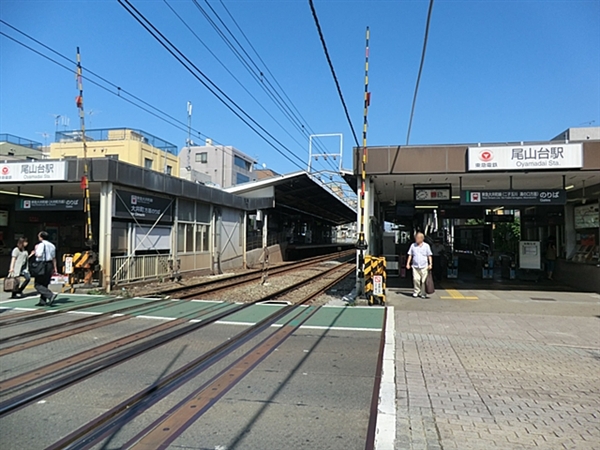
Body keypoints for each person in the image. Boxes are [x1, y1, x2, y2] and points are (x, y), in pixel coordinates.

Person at [30, 231, 58, 306]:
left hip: (42, 265)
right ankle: (43, 301)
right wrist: (55, 267)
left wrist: (34, 251)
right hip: (49, 265)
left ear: (41, 237)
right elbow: (54, 258)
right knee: (45, 283)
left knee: (37, 284)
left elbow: (39, 255)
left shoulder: (41, 245)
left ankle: (50, 295)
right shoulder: (52, 245)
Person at [406, 232, 433, 298]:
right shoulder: (413, 245)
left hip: (424, 266)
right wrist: (408, 263)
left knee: (423, 281)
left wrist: (430, 264)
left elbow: (429, 255)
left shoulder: (426, 246)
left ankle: (423, 293)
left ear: (422, 239)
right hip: (415, 266)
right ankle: (416, 291)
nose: (416, 239)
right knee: (416, 279)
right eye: (416, 238)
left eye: (417, 238)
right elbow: (410, 255)